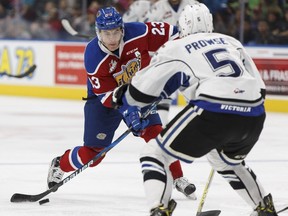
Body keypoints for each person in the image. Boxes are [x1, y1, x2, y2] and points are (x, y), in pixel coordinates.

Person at [112, 3, 278, 216]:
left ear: (182, 24)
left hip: (212, 110)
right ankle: (263, 206)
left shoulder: (177, 45)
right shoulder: (232, 42)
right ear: (210, 23)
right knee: (226, 161)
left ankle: (158, 209)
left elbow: (140, 93)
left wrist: (121, 96)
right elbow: (260, 88)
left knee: (154, 154)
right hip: (254, 114)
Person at [47, 6, 196, 199]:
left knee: (156, 135)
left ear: (122, 29)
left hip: (138, 91)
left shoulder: (140, 32)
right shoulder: (93, 56)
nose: (112, 38)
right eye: (106, 33)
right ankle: (60, 164)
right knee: (93, 155)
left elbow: (176, 35)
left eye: (116, 32)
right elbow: (109, 97)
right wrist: (129, 111)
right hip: (103, 102)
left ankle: (177, 178)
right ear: (98, 32)